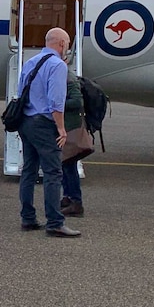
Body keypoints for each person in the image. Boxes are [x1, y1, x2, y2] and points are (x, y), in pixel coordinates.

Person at [17, 27, 81, 237]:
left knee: (29, 170)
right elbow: (56, 101)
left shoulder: (30, 62)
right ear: (62, 44)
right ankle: (54, 222)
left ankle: (28, 218)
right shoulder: (57, 66)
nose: (68, 48)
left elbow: (20, 93)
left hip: (26, 121)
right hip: (44, 124)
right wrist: (61, 128)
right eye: (68, 44)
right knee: (53, 173)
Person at [60, 63, 85, 217]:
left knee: (69, 166)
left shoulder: (69, 79)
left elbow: (77, 102)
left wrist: (57, 105)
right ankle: (68, 197)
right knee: (64, 165)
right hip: (65, 127)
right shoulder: (64, 76)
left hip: (71, 128)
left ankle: (76, 202)